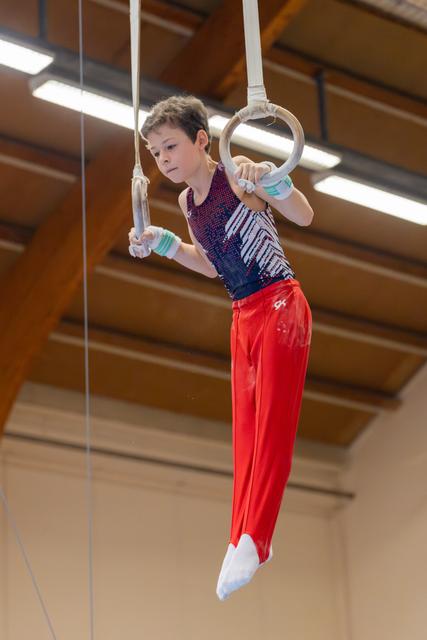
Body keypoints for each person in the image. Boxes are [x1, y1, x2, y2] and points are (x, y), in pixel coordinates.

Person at [129, 95, 313, 601]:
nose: (163, 158)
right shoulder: (188, 203)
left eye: (171, 146)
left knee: (272, 424)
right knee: (245, 435)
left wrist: (275, 181)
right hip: (241, 317)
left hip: (279, 306)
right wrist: (165, 242)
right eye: (155, 151)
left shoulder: (237, 174)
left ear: (203, 141)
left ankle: (259, 537)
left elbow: (303, 215)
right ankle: (238, 536)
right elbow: (210, 264)